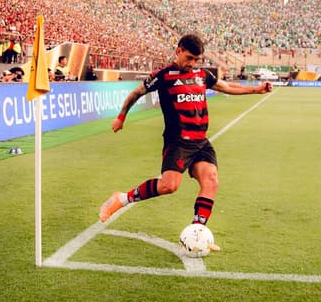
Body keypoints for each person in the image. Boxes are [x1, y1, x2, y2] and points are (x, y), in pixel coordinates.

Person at [99, 34, 273, 249]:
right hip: (178, 141)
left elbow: (227, 87)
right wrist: (122, 116)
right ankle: (122, 198)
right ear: (178, 51)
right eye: (189, 58)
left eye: (197, 60)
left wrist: (256, 89)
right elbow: (136, 93)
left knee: (211, 181)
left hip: (201, 141)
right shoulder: (163, 76)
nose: (192, 64)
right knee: (169, 186)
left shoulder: (202, 75)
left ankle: (197, 234)